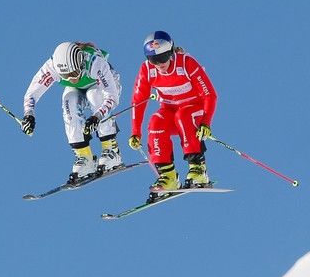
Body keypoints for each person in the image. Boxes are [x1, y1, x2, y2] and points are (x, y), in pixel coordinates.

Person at [128, 31, 218, 202]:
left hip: (195, 109)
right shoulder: (147, 70)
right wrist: (135, 132)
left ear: (170, 53)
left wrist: (206, 122)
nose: (159, 64)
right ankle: (168, 177)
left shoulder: (186, 63)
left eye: (162, 58)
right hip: (169, 109)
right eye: (153, 60)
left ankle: (198, 169)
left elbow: (210, 95)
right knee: (156, 122)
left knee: (183, 115)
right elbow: (138, 101)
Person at [22, 41, 124, 183]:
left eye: (75, 73)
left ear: (81, 63)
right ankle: (85, 157)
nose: (72, 79)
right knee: (69, 101)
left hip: (103, 85)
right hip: (80, 90)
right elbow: (31, 94)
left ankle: (111, 150)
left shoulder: (95, 63)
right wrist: (29, 115)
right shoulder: (51, 67)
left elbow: (112, 97)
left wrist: (97, 116)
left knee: (94, 96)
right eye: (66, 76)